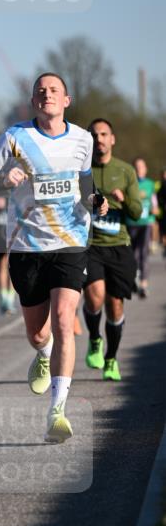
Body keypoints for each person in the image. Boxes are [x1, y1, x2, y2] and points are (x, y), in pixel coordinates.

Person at [0, 73, 105, 443]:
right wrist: (2, 180)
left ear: (67, 100)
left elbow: (85, 185)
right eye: (40, 91)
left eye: (54, 90)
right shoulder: (14, 137)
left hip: (70, 242)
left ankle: (57, 409)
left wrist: (96, 201)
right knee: (37, 331)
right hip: (27, 246)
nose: (47, 95)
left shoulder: (82, 139)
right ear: (34, 102)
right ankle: (42, 353)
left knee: (65, 320)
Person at [82, 121, 143, 380]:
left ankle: (111, 359)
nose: (99, 139)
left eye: (104, 134)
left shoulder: (126, 171)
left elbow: (138, 212)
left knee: (115, 305)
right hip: (91, 245)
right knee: (95, 297)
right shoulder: (82, 171)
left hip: (119, 246)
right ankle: (95, 339)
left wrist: (123, 199)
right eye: (94, 135)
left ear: (112, 139)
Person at [126, 158, 159, 298]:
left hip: (146, 223)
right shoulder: (128, 184)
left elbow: (154, 202)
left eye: (141, 167)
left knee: (143, 253)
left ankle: (143, 284)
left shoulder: (150, 184)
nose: (139, 169)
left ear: (145, 169)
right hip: (131, 223)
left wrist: (155, 209)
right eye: (137, 167)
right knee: (132, 253)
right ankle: (134, 278)